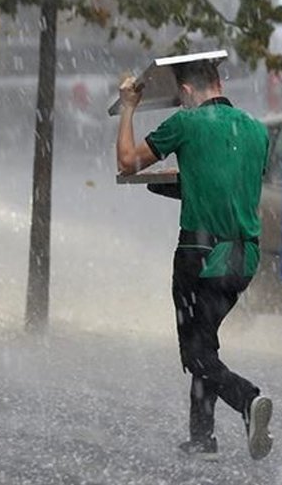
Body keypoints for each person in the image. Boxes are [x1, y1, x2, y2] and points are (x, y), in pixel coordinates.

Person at [115, 57, 273, 461]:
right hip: (243, 259)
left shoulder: (185, 124)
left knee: (196, 353)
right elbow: (230, 185)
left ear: (186, 92)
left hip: (199, 256)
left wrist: (129, 107)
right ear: (219, 81)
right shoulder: (257, 130)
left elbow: (127, 162)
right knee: (205, 342)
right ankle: (202, 437)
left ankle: (246, 399)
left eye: (181, 97)